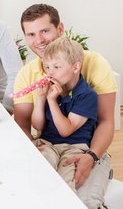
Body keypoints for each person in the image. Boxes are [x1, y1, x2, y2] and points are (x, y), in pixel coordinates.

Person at [14, 4, 117, 208]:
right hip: (49, 145)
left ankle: (101, 170)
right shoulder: (28, 75)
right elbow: (24, 127)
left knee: (83, 201)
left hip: (87, 148)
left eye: (45, 31)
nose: (39, 40)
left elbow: (106, 121)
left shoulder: (93, 65)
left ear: (60, 29)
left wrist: (91, 156)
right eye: (31, 34)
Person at [32, 38, 98, 192]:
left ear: (76, 67)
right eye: (47, 67)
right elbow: (37, 125)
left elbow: (65, 130)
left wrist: (51, 100)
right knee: (39, 170)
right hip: (48, 144)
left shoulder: (87, 95)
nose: (50, 73)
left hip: (74, 148)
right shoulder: (52, 90)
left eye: (57, 67)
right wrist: (41, 98)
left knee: (64, 184)